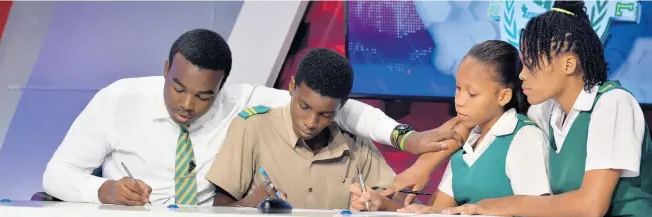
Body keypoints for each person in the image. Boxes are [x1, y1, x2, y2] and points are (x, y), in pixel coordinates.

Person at [42, 29, 463, 206]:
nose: (188, 104)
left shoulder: (241, 102)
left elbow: (332, 103)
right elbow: (55, 174)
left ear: (222, 86)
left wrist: (405, 137)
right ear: (165, 68)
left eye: (204, 94)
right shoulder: (118, 99)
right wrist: (104, 190)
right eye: (178, 87)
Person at [440, 1, 652, 216]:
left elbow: (590, 206)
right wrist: (424, 166)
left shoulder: (613, 104)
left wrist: (504, 205)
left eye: (531, 65)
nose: (522, 75)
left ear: (568, 65)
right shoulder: (547, 111)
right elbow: (483, 121)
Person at [350, 40, 551, 213]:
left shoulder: (525, 137)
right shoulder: (467, 143)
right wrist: (382, 204)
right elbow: (435, 212)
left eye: (472, 93)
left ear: (503, 96)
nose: (460, 101)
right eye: (457, 88)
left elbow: (537, 210)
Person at [206, 48, 408, 209]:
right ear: (292, 86)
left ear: (343, 105)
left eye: (325, 114)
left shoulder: (355, 142)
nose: (311, 123)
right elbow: (219, 208)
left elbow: (398, 201)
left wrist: (380, 204)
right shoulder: (251, 128)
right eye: (304, 106)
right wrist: (249, 205)